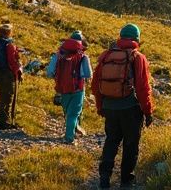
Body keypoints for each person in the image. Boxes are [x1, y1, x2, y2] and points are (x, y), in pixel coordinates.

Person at [91, 24, 153, 189]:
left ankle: (105, 176)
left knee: (111, 141)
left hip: (110, 107)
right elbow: (142, 88)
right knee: (131, 144)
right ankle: (126, 179)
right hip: (131, 108)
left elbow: (95, 85)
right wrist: (147, 112)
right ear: (137, 38)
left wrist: (100, 107)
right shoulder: (138, 57)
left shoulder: (106, 56)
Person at [47, 30, 92, 144]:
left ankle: (74, 129)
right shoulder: (83, 56)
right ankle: (69, 137)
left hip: (62, 89)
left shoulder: (58, 55)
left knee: (68, 112)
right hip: (78, 89)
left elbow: (49, 72)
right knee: (74, 113)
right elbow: (88, 74)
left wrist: (59, 77)